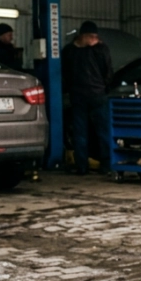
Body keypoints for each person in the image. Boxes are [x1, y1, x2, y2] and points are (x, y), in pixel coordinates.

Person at [62, 21, 113, 174]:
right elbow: (108, 72)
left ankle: (81, 166)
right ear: (83, 36)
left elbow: (65, 74)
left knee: (80, 132)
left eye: (94, 36)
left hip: (78, 96)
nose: (93, 39)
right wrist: (105, 89)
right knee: (102, 131)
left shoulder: (69, 51)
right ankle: (106, 165)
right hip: (97, 95)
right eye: (91, 36)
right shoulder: (101, 49)